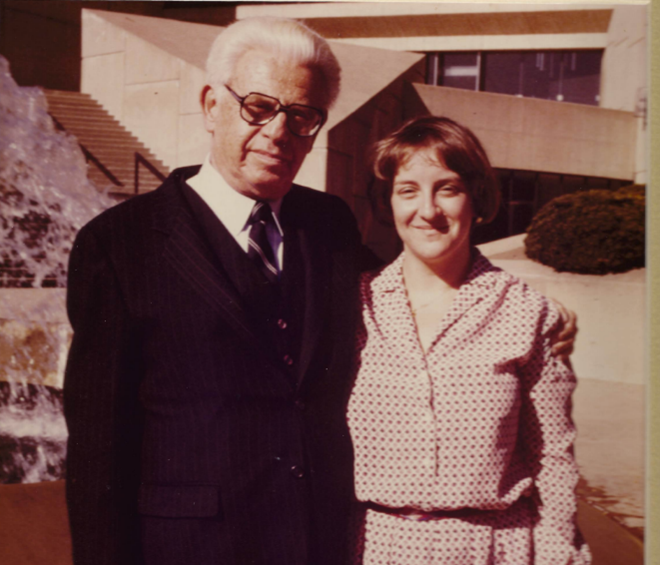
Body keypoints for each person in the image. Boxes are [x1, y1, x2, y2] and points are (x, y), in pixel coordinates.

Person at [63, 16, 577, 565]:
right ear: (212, 103)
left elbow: (414, 284)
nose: (279, 132)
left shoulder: (327, 225)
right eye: (257, 106)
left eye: (302, 116)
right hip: (191, 547)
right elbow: (98, 448)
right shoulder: (118, 244)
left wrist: (531, 311)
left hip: (324, 541)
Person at [347, 116, 590, 564]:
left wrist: (562, 556)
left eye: (448, 188)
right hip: (375, 548)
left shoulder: (528, 313)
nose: (428, 210)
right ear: (387, 202)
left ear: (476, 198)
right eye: (408, 190)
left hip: (494, 550)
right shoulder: (351, 306)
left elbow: (552, 458)